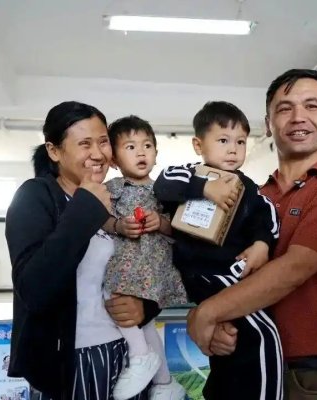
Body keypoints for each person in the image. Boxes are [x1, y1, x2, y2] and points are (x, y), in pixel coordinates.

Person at [186, 69, 317, 400]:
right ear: (269, 124)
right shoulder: (250, 196)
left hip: (300, 376)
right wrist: (218, 324)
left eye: (312, 106)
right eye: (285, 108)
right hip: (238, 366)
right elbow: (222, 268)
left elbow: (293, 270)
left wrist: (208, 313)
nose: (298, 117)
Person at [5, 101, 160, 399]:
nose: (98, 154)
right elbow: (34, 289)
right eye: (84, 144)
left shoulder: (116, 196)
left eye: (103, 142)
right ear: (54, 151)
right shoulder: (35, 196)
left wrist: (146, 307)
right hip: (72, 360)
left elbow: (151, 262)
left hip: (129, 355)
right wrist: (85, 207)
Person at [154, 101, 282, 400]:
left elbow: (267, 216)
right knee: (263, 331)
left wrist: (262, 244)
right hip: (204, 272)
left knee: (230, 341)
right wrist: (204, 187)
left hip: (233, 270)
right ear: (198, 145)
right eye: (223, 140)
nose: (233, 149)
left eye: (240, 142)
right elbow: (163, 183)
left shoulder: (248, 187)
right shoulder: (189, 174)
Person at [103, 115, 187, 400]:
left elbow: (180, 227)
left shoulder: (165, 189)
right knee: (143, 321)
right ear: (114, 160)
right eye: (130, 147)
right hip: (127, 259)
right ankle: (164, 382)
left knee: (116, 299)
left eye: (147, 145)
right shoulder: (113, 188)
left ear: (156, 152)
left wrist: (160, 223)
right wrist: (118, 225)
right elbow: (101, 218)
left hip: (153, 264)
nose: (141, 152)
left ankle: (140, 354)